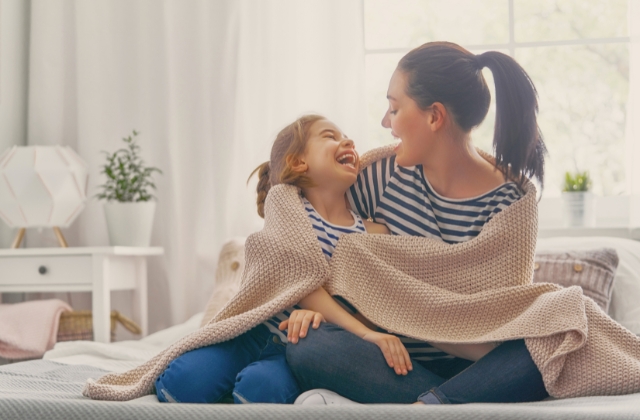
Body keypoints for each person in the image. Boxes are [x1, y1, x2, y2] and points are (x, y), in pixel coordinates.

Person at [285, 41, 550, 405]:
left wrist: (414, 311)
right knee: (309, 347)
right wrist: (310, 307)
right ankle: (440, 405)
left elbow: (499, 325)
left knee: (552, 343)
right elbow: (306, 233)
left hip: (478, 369)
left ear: (434, 117)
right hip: (393, 364)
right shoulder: (381, 177)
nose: (384, 122)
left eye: (394, 108)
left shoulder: (512, 204)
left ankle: (429, 406)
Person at [154, 114, 413, 404]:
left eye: (346, 137)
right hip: (250, 335)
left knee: (259, 391)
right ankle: (222, 383)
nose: (347, 141)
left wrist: (337, 328)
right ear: (298, 163)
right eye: (330, 136)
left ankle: (234, 390)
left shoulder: (374, 233)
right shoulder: (286, 205)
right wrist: (365, 335)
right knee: (180, 384)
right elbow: (302, 283)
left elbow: (379, 301)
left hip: (293, 350)